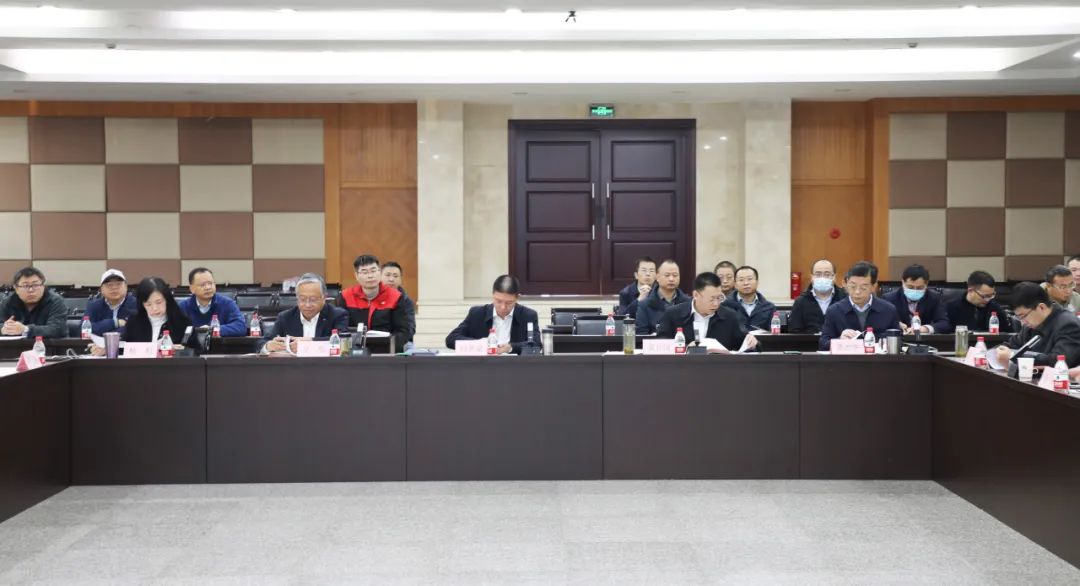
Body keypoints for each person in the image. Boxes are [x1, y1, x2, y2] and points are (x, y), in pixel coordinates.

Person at [655, 272, 759, 353]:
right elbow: (659, 345)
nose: (716, 304)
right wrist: (685, 348)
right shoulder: (673, 314)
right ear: (696, 295)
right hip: (682, 369)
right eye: (711, 299)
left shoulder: (730, 317)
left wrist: (753, 343)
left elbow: (748, 346)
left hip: (719, 370)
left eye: (719, 298)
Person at [446, 274, 540, 355]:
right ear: (492, 295)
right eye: (498, 301)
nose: (503, 307)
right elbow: (451, 339)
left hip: (515, 367)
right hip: (482, 366)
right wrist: (479, 344)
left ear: (517, 298)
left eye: (509, 303)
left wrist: (511, 347)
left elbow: (536, 344)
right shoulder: (477, 313)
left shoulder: (528, 315)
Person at [336, 254, 414, 350]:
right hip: (354, 351)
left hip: (388, 351)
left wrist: (387, 348)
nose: (370, 276)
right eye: (364, 272)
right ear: (356, 276)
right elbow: (340, 328)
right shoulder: (345, 296)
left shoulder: (396, 297)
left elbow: (404, 330)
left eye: (373, 271)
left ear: (379, 272)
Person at [994, 282, 1080, 368]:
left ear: (1041, 307)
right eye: (1018, 317)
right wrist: (999, 351)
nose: (1023, 322)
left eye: (1023, 316)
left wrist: (1014, 356)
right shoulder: (1030, 324)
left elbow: (1058, 361)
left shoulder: (1068, 324)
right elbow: (1012, 344)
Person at [819, 261, 901, 351]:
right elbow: (823, 344)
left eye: (863, 288)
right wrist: (840, 340)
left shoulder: (888, 310)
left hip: (877, 359)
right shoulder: (834, 311)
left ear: (873, 287)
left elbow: (899, 341)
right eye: (853, 287)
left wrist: (886, 343)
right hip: (846, 359)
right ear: (845, 284)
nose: (857, 292)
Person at [261, 273, 349, 353]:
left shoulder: (337, 315)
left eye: (313, 299)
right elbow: (261, 343)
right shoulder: (285, 317)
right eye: (302, 299)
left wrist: (308, 343)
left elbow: (341, 342)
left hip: (326, 364)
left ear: (324, 298)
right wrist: (268, 346)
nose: (307, 305)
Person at [121, 277, 193, 347]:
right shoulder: (133, 322)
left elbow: (194, 350)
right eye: (148, 304)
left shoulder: (182, 322)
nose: (155, 308)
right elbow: (122, 349)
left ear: (167, 300)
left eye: (159, 302)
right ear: (142, 305)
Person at [881, 264, 951, 334]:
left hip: (924, 338)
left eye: (919, 288)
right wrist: (896, 324)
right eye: (910, 287)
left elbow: (944, 324)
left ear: (926, 284)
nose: (915, 290)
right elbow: (883, 322)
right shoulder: (889, 299)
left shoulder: (934, 298)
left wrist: (925, 329)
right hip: (899, 338)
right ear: (903, 282)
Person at [0, 266, 67, 339]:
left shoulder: (55, 301)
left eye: (35, 285)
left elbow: (57, 329)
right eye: (25, 286)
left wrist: (25, 329)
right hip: (15, 345)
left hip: (50, 345)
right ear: (16, 288)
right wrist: (3, 329)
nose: (31, 290)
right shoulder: (8, 302)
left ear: (43, 286)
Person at [178, 267, 246, 337]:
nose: (208, 287)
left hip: (219, 343)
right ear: (192, 289)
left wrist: (213, 330)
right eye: (202, 285)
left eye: (210, 283)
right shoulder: (183, 307)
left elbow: (241, 327)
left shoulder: (227, 304)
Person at [788, 259, 846, 334]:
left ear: (834, 277)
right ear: (812, 277)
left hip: (838, 341)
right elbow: (794, 331)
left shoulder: (845, 299)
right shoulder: (801, 301)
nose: (822, 278)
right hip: (810, 341)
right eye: (818, 274)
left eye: (827, 274)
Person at [944, 270, 1012, 333]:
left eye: (991, 295)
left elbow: (1008, 333)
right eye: (985, 296)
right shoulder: (951, 308)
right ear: (970, 291)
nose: (988, 299)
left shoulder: (995, 308)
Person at [636, 260, 690, 334]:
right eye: (667, 275)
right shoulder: (645, 305)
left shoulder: (688, 303)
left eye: (675, 275)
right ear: (657, 277)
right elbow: (641, 334)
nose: (671, 279)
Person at [721, 265, 777, 331]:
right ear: (735, 284)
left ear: (757, 282)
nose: (746, 283)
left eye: (750, 279)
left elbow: (772, 333)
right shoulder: (725, 306)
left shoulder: (769, 307)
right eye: (741, 280)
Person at [83, 269, 137, 336]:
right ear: (102, 289)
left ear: (126, 287)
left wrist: (105, 334)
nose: (114, 288)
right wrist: (115, 323)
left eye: (118, 284)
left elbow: (137, 329)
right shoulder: (93, 306)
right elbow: (84, 331)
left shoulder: (137, 305)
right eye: (109, 285)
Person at [381, 261, 416, 344]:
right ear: (379, 277)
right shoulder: (372, 297)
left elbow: (410, 329)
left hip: (400, 343)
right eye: (387, 275)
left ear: (400, 279)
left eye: (395, 276)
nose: (391, 279)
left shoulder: (406, 301)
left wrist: (394, 343)